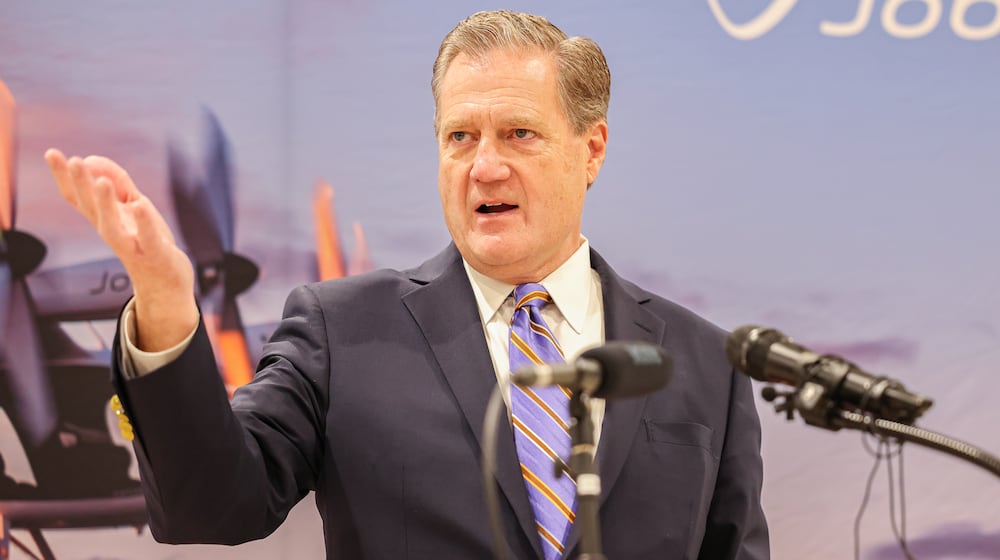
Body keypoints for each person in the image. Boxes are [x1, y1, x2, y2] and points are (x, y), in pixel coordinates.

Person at [44, 10, 768, 560]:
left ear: (592, 149)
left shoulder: (706, 364)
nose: (484, 167)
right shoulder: (341, 332)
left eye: (519, 134)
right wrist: (166, 306)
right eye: (460, 137)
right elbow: (209, 505)